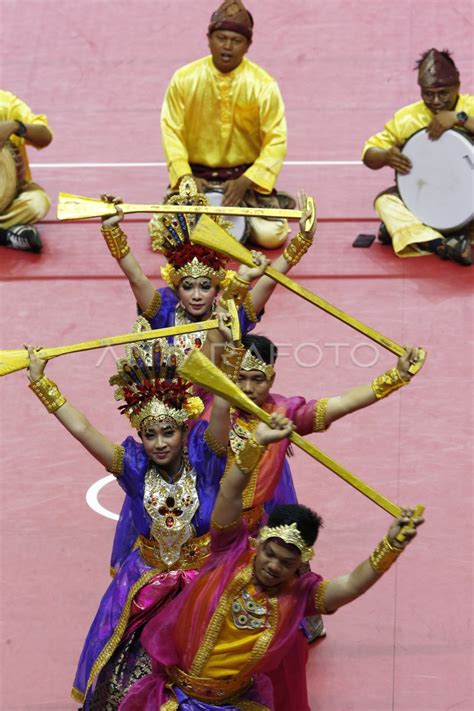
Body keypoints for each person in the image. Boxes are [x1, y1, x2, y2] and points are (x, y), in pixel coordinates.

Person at [120, 413, 423, 710]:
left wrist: (391, 546)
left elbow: (351, 585)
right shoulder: (229, 552)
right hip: (176, 699)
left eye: (286, 562)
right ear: (259, 542)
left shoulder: (300, 593)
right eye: (270, 554)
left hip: (232, 704)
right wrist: (256, 444)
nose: (273, 566)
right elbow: (230, 491)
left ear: (299, 565)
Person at [25, 330, 231, 709]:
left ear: (185, 429)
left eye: (168, 432)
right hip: (145, 585)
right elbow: (84, 430)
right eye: (149, 435)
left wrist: (224, 348)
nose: (159, 443)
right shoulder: (134, 468)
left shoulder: (206, 461)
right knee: (127, 681)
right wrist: (42, 384)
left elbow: (220, 409)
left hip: (202, 587)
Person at [160, 0, 293, 249]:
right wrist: (185, 176)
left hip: (242, 179)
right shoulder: (184, 79)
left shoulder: (263, 84)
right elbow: (171, 132)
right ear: (209, 38)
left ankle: (239, 218)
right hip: (196, 176)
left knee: (273, 235)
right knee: (165, 232)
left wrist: (247, 180)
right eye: (221, 38)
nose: (228, 46)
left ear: (248, 45)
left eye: (236, 40)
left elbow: (277, 140)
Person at [362, 48, 474, 265]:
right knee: (385, 202)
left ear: (457, 87)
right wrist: (385, 156)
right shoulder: (406, 118)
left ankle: (412, 234)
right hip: (428, 201)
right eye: (428, 94)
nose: (435, 101)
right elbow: (369, 154)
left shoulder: (469, 108)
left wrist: (459, 118)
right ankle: (440, 245)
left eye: (443, 93)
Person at [0, 90, 52, 253]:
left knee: (37, 203)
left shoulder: (6, 103)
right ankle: (7, 236)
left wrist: (16, 125)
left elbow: (45, 137)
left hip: (10, 196)